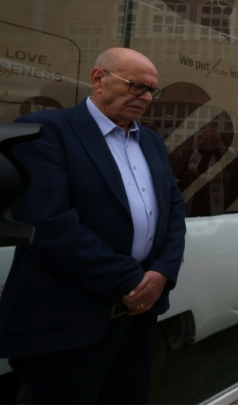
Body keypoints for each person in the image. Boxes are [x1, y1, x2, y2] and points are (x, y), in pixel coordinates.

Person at [0, 48, 187, 403]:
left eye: (152, 90)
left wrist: (163, 271)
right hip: (68, 320)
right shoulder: (45, 131)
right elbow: (48, 222)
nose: (146, 98)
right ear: (99, 79)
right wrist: (129, 280)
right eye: (136, 86)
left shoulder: (151, 141)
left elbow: (174, 208)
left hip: (138, 317)